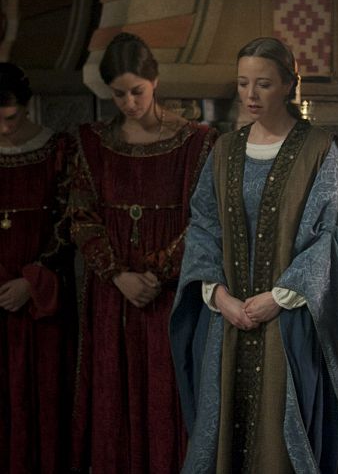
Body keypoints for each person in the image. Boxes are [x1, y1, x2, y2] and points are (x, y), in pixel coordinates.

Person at [171, 37, 338, 473]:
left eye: (264, 84)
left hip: (288, 324)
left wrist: (278, 298)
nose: (250, 95)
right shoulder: (224, 150)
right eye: (243, 83)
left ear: (289, 84)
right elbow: (204, 226)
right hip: (227, 323)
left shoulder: (319, 150)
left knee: (277, 439)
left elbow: (329, 236)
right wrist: (221, 298)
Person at [68, 33, 217, 473]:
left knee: (168, 388)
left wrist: (156, 273)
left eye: (137, 91)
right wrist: (118, 275)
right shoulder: (92, 142)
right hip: (112, 294)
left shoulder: (195, 142)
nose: (129, 103)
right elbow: (80, 216)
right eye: (119, 94)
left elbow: (205, 219)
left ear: (155, 81)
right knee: (113, 389)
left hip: (170, 293)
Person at [0, 63, 75, 473]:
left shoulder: (57, 150)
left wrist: (32, 282)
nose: (4, 129)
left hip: (41, 302)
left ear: (26, 106)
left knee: (44, 398)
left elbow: (69, 222)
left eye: (11, 118)